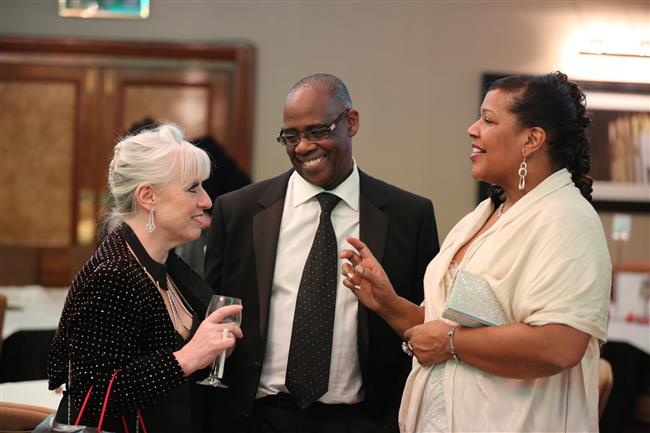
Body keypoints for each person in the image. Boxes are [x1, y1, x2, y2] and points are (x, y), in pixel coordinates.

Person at [342, 71, 611, 432]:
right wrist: (388, 303)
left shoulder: (566, 219)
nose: (472, 129)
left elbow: (560, 344)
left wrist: (452, 344)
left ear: (531, 139)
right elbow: (443, 331)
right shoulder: (484, 215)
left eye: (488, 120)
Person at [203, 73, 439, 433]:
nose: (303, 147)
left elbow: (425, 322)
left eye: (317, 132)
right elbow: (213, 313)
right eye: (291, 136)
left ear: (352, 122)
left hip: (361, 420)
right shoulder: (238, 212)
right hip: (259, 417)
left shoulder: (410, 216)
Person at [47, 124, 243, 433]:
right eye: (193, 188)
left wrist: (206, 351)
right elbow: (88, 399)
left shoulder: (167, 267)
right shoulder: (113, 274)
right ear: (148, 196)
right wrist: (187, 357)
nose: (207, 200)